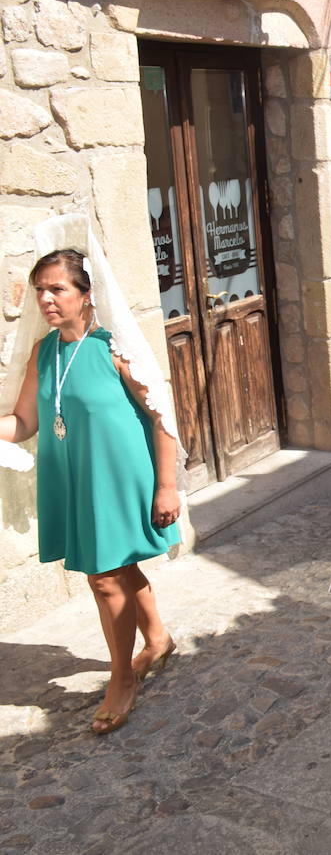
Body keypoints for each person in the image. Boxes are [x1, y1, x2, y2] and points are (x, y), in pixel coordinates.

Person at [0, 215, 183, 735]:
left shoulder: (112, 348)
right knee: (117, 569)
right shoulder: (44, 352)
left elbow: (162, 416)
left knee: (104, 579)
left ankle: (121, 678)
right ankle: (159, 641)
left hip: (121, 478)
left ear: (86, 293)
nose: (45, 300)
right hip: (77, 478)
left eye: (57, 288)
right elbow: (27, 422)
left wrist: (167, 486)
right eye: (40, 291)